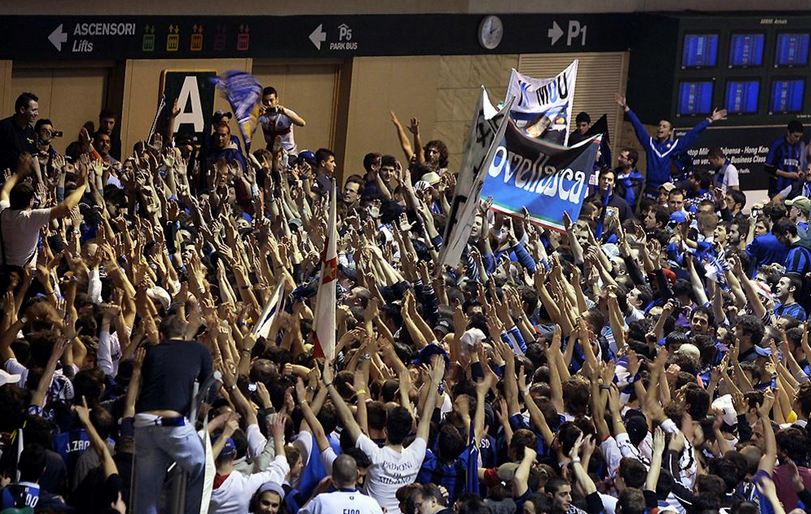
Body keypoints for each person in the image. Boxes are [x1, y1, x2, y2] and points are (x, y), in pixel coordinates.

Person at [132, 314, 213, 514]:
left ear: (161, 334)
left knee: (147, 494)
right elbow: (210, 388)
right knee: (201, 467)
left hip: (143, 422)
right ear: (185, 334)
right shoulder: (200, 350)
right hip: (173, 423)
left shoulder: (153, 352)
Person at [616, 93, 727, 195]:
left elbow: (693, 133)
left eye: (664, 126)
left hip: (665, 189)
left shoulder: (674, 146)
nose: (660, 128)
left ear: (670, 132)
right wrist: (626, 109)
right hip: (649, 188)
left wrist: (710, 120)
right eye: (659, 126)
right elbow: (638, 127)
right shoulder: (650, 144)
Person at [298, 455, 383, 514]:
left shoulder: (321, 501)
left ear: (333, 478)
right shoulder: (372, 504)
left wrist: (315, 494)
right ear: (357, 474)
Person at [258, 87, 306, 156]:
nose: (269, 103)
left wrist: (286, 113)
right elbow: (247, 127)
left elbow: (302, 123)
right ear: (262, 102)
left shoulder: (285, 113)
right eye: (266, 101)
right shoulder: (261, 115)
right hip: (271, 151)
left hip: (288, 152)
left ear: (277, 100)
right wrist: (257, 115)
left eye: (271, 100)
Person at [0, 92, 38, 172]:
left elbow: (34, 157)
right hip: (4, 179)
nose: (37, 114)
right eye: (34, 110)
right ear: (22, 110)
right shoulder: (4, 126)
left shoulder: (31, 131)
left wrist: (40, 181)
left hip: (22, 179)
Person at [766, 120, 805, 198]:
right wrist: (788, 175)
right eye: (795, 136)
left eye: (799, 137)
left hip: (793, 190)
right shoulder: (778, 145)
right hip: (777, 189)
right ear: (788, 132)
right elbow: (768, 167)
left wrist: (799, 172)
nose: (797, 139)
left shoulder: (798, 146)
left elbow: (797, 164)